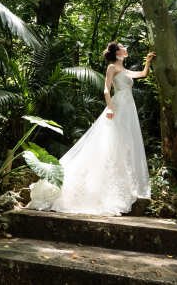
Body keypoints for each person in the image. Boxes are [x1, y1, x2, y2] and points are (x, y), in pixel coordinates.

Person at [26, 42, 155, 215]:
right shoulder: (111, 68)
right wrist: (109, 107)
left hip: (129, 108)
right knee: (111, 141)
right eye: (123, 47)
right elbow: (106, 90)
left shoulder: (124, 70)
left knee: (124, 143)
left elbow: (143, 74)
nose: (126, 49)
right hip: (118, 106)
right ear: (117, 52)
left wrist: (147, 61)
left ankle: (123, 182)